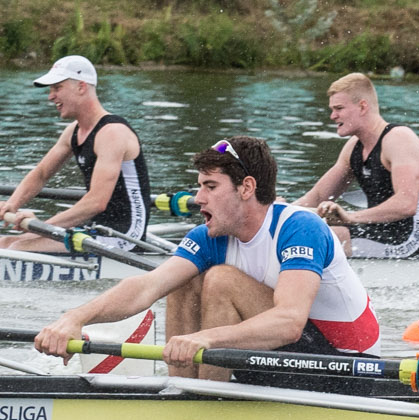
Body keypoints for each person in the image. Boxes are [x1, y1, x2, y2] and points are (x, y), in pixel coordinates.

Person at [35, 136, 377, 390]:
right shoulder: (209, 235)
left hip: (347, 367)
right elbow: (147, 286)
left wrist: (206, 339)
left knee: (222, 280)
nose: (198, 198)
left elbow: (289, 322)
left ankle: (207, 400)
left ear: (246, 188)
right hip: (273, 358)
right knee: (183, 278)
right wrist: (73, 319)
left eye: (210, 186)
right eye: (200, 186)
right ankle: (184, 391)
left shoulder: (299, 227)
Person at [0, 54, 150, 254]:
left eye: (57, 88)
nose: (50, 96)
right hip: (96, 227)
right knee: (5, 242)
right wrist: (11, 205)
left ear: (81, 87)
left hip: (125, 235)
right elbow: (42, 173)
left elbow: (96, 202)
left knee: (19, 247)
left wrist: (42, 229)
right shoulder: (73, 131)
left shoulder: (112, 133)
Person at [292, 71, 419, 260]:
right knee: (299, 229)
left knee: (316, 237)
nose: (333, 116)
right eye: (332, 109)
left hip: (406, 240)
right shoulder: (353, 147)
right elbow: (317, 196)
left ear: (362, 106)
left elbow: (406, 204)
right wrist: (280, 211)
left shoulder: (400, 139)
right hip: (372, 230)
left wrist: (351, 217)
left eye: (339, 108)